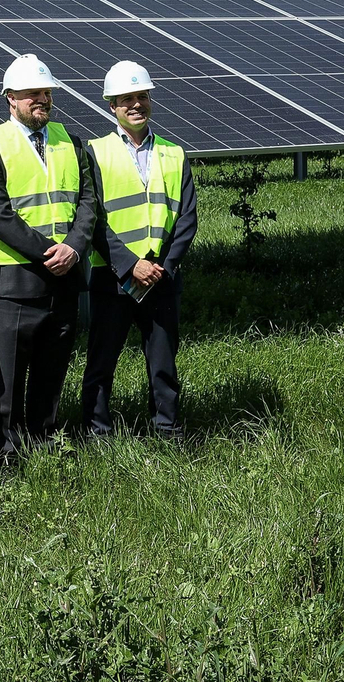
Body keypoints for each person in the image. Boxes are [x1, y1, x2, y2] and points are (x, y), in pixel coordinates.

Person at [0, 54, 97, 461]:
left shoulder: (71, 142)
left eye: (46, 92)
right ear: (10, 98)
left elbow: (89, 201)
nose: (41, 99)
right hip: (15, 280)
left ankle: (44, 443)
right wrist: (49, 252)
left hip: (66, 277)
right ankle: (6, 452)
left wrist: (74, 246)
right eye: (31, 94)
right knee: (9, 376)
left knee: (52, 371)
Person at [81, 61, 197, 440]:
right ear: (112, 106)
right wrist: (131, 265)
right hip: (113, 278)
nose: (136, 104)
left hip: (161, 278)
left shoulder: (174, 153)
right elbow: (93, 218)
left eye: (142, 97)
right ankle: (98, 434)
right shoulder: (95, 153)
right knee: (101, 363)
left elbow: (187, 218)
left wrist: (164, 266)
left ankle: (168, 431)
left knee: (164, 364)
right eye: (127, 99)